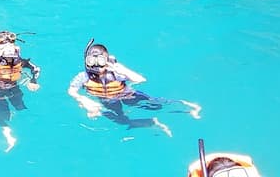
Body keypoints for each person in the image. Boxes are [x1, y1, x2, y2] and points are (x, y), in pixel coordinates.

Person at [66, 40, 201, 136]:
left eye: (101, 62)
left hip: (127, 94)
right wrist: (83, 100)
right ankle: (152, 122)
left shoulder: (116, 73)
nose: (97, 67)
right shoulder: (83, 77)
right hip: (108, 101)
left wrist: (123, 70)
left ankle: (187, 107)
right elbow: (71, 90)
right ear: (87, 61)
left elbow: (141, 80)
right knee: (121, 120)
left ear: (106, 61)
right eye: (92, 62)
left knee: (156, 104)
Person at [0, 31, 40, 152]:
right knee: (2, 114)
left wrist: (33, 81)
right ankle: (8, 136)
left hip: (14, 88)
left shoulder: (18, 60)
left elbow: (35, 69)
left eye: (10, 43)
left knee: (21, 107)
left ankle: (29, 132)